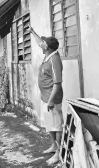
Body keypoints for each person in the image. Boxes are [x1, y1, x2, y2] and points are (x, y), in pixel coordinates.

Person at [29, 27, 63, 165]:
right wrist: (33, 32)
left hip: (52, 99)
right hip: (46, 98)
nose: (40, 45)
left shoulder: (54, 59)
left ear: (47, 47)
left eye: (43, 44)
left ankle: (58, 153)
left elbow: (57, 83)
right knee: (50, 125)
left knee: (57, 126)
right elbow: (40, 42)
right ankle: (54, 145)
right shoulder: (48, 55)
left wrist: (50, 100)